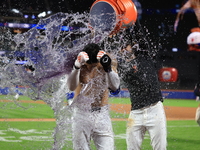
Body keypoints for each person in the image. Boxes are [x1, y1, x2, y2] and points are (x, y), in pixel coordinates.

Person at [117, 20, 167, 150]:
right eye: (122, 48)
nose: (123, 49)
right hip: (136, 113)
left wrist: (133, 20)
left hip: (155, 109)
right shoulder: (122, 67)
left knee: (160, 148)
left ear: (133, 46)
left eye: (126, 46)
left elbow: (140, 36)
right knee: (131, 148)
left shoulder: (144, 56)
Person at [67, 43, 120, 150]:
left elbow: (115, 88)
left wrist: (108, 68)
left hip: (102, 114)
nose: (90, 68)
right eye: (88, 65)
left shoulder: (108, 61)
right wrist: (76, 67)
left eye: (94, 65)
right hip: (81, 114)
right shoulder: (78, 63)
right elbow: (71, 87)